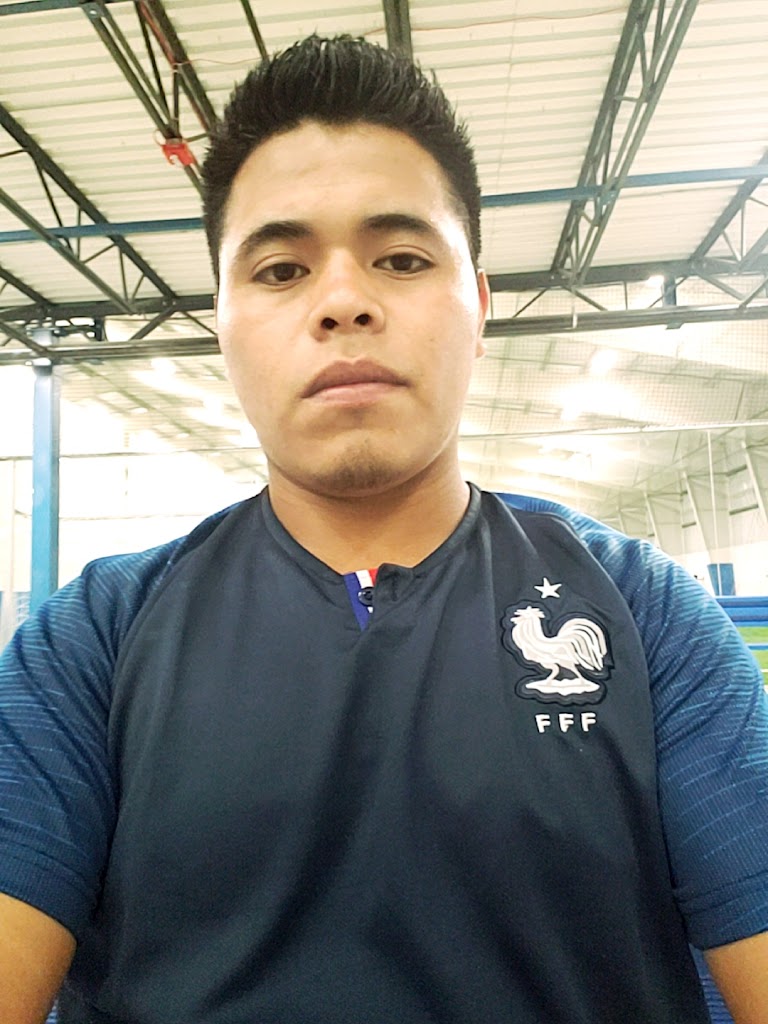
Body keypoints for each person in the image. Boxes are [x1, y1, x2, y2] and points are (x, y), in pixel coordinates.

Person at [0, 34, 766, 1024]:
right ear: (222, 321)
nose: (343, 302)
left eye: (401, 259)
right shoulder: (94, 639)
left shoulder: (646, 613)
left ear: (478, 305)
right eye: (280, 269)